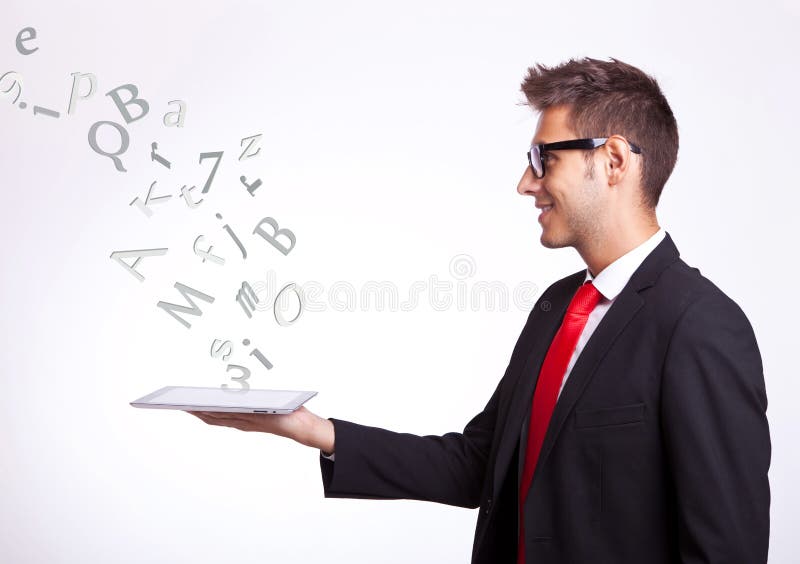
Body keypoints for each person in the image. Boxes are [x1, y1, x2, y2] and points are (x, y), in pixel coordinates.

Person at [189, 57, 770, 564]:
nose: (526, 182)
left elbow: (726, 551)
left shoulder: (700, 325)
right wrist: (314, 430)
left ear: (613, 161)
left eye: (544, 159)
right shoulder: (557, 306)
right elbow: (481, 463)